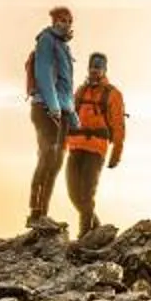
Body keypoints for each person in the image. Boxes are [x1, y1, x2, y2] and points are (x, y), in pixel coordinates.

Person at [63, 51, 128, 235]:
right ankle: (98, 230)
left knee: (87, 195)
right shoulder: (81, 91)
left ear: (104, 70)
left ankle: (84, 236)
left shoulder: (113, 94)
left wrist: (116, 154)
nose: (94, 71)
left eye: (98, 68)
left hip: (96, 149)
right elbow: (69, 119)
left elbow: (118, 126)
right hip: (75, 147)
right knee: (74, 194)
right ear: (88, 68)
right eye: (92, 67)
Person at [25, 5, 77, 229]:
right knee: (47, 156)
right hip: (46, 109)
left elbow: (66, 85)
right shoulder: (46, 40)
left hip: (61, 112)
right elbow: (44, 74)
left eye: (69, 21)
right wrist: (54, 106)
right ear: (54, 21)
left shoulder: (63, 46)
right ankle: (35, 213)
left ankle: (43, 213)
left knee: (55, 163)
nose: (65, 24)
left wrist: (72, 115)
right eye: (61, 20)